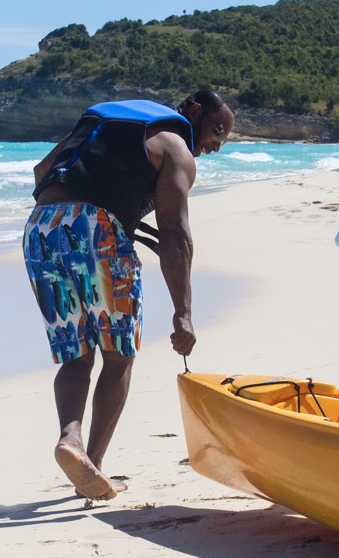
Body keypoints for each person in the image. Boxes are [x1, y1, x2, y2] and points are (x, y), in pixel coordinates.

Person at [24, 91, 234, 500]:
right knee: (118, 354)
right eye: (216, 131)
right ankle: (95, 466)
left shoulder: (105, 121)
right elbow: (176, 236)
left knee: (76, 352)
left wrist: (118, 222)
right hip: (99, 230)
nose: (214, 145)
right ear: (194, 112)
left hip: (41, 228)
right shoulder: (176, 147)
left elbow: (41, 172)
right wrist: (183, 313)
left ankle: (70, 439)